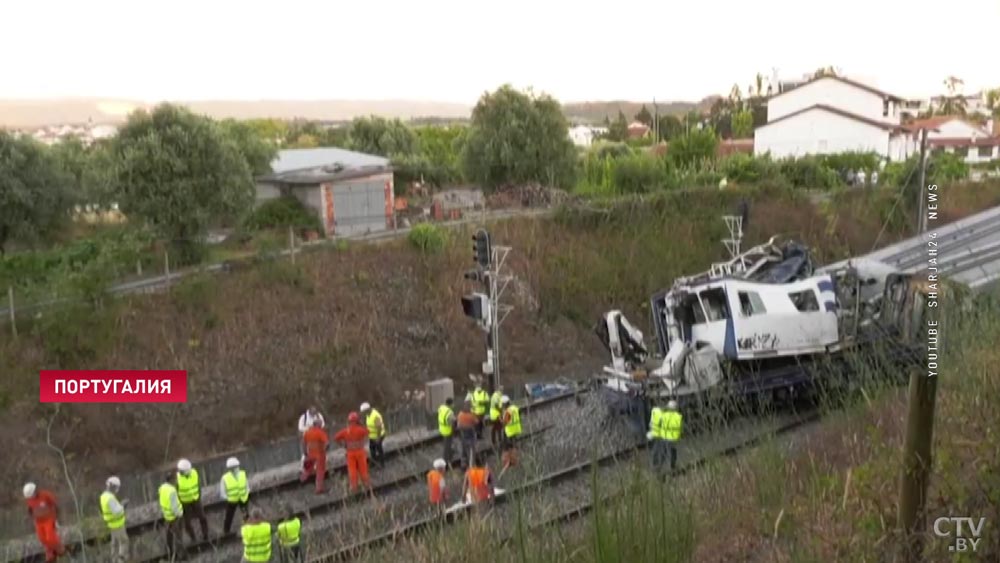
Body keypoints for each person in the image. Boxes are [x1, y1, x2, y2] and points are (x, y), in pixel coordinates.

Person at [24, 482, 66, 562]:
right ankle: (50, 554)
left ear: (35, 491)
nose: (31, 497)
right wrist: (29, 517)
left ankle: (60, 550)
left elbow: (55, 504)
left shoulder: (45, 495)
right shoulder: (30, 500)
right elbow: (30, 509)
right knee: (42, 538)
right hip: (38, 521)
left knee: (50, 536)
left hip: (49, 519)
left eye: (31, 495)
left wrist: (57, 517)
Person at [334, 412, 371, 492]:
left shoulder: (345, 431)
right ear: (357, 420)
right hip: (360, 451)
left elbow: (336, 437)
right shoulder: (360, 429)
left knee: (352, 470)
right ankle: (366, 485)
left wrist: (343, 445)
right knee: (363, 468)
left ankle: (354, 487)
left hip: (350, 452)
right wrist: (361, 424)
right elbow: (368, 431)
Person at [177, 458, 209, 543]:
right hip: (185, 502)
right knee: (187, 522)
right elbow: (176, 492)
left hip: (195, 499)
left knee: (202, 517)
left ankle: (205, 535)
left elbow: (198, 486)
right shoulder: (177, 479)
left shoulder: (194, 473)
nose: (188, 471)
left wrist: (198, 496)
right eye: (186, 470)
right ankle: (193, 538)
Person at [100, 476, 129, 563]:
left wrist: (119, 505)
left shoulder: (104, 496)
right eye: (116, 487)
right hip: (117, 524)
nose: (117, 490)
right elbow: (117, 511)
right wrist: (123, 505)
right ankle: (120, 561)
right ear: (112, 486)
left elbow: (111, 509)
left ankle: (114, 560)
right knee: (123, 542)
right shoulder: (110, 498)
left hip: (111, 524)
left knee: (115, 545)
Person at [158, 472, 186, 560]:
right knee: (178, 537)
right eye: (175, 479)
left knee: (169, 536)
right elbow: (174, 507)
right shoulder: (172, 491)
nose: (177, 481)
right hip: (175, 518)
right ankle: (181, 556)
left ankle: (169, 553)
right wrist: (180, 513)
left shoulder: (162, 488)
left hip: (167, 517)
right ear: (172, 480)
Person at [220, 456, 250, 536]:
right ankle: (226, 531)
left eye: (236, 467)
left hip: (243, 498)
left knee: (246, 514)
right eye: (233, 467)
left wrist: (247, 493)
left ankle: (248, 528)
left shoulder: (242, 474)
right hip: (232, 500)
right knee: (229, 516)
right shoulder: (225, 478)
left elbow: (247, 485)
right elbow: (222, 491)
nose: (235, 468)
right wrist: (228, 498)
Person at [300, 418, 329, 494]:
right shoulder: (320, 432)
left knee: (308, 469)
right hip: (319, 455)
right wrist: (325, 450)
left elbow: (303, 443)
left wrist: (305, 453)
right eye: (320, 424)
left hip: (310, 454)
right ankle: (319, 489)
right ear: (318, 425)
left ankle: (302, 480)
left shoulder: (307, 432)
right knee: (320, 472)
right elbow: (327, 443)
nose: (321, 426)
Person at [455, 398, 479, 469]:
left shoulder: (460, 414)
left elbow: (458, 425)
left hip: (462, 434)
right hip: (470, 434)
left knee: (463, 449)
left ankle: (463, 464)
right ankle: (472, 466)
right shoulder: (471, 415)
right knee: (471, 450)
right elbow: (476, 422)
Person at [662, 400, 684, 472]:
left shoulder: (664, 415)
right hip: (673, 438)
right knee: (672, 452)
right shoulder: (678, 417)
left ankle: (662, 465)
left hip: (665, 437)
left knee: (666, 451)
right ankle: (672, 466)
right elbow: (681, 428)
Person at [437, 397, 456, 463]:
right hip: (447, 430)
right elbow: (452, 422)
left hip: (441, 428)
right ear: (450, 404)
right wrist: (453, 429)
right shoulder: (450, 413)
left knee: (447, 443)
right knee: (447, 445)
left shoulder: (441, 407)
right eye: (453, 403)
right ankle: (445, 459)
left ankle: (450, 452)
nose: (454, 405)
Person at [648, 404, 666, 471]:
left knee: (655, 450)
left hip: (655, 434)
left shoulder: (654, 413)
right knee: (661, 449)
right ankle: (658, 465)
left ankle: (655, 465)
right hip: (660, 435)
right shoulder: (661, 414)